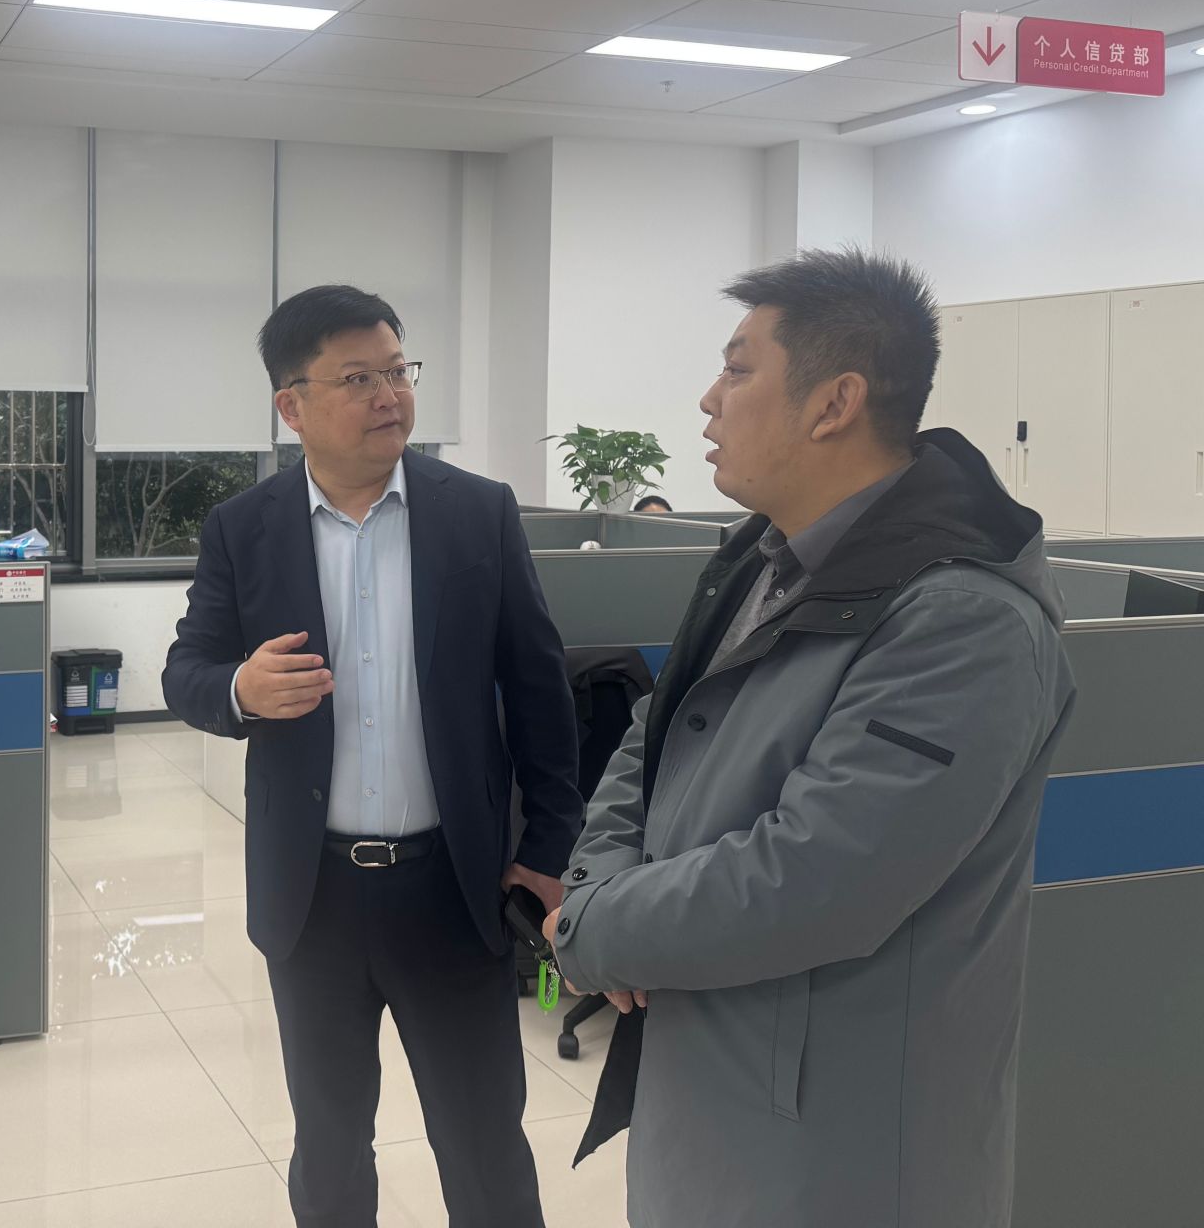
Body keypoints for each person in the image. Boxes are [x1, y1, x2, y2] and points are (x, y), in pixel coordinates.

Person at [546, 249, 1076, 1228]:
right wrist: (595, 887)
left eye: (736, 369)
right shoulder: (767, 557)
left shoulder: (961, 621)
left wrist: (597, 931)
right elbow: (654, 736)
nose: (708, 400)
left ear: (833, 403)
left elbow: (815, 878)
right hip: (711, 1089)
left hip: (837, 1144)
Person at [165, 284, 584, 1228]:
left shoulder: (476, 514)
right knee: (330, 1145)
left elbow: (539, 689)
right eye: (358, 378)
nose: (390, 395)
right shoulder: (243, 528)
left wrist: (551, 847)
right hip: (311, 898)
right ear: (292, 406)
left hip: (453, 888)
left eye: (398, 370)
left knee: (484, 1145)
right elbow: (185, 672)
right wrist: (240, 689)